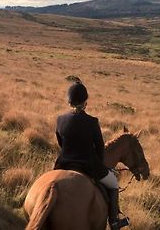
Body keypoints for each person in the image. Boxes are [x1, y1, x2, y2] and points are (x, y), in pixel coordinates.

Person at [54, 82, 129, 230]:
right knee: (113, 183)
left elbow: (61, 143)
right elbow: (100, 149)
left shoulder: (60, 119)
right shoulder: (92, 122)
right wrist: (101, 165)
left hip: (63, 163)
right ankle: (114, 222)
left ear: (69, 101)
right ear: (85, 102)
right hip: (88, 166)